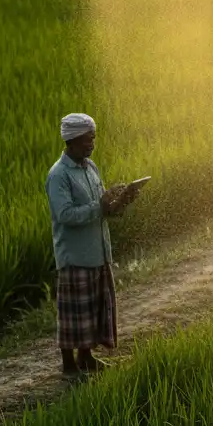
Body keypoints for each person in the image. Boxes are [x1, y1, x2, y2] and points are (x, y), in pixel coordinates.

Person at [45, 113, 140, 379]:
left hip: (98, 250)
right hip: (75, 254)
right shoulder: (59, 175)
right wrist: (101, 205)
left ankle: (86, 357)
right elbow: (65, 215)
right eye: (88, 139)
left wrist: (120, 201)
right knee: (74, 312)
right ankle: (69, 366)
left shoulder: (91, 168)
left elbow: (101, 208)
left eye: (94, 138)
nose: (92, 144)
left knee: (94, 307)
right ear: (72, 140)